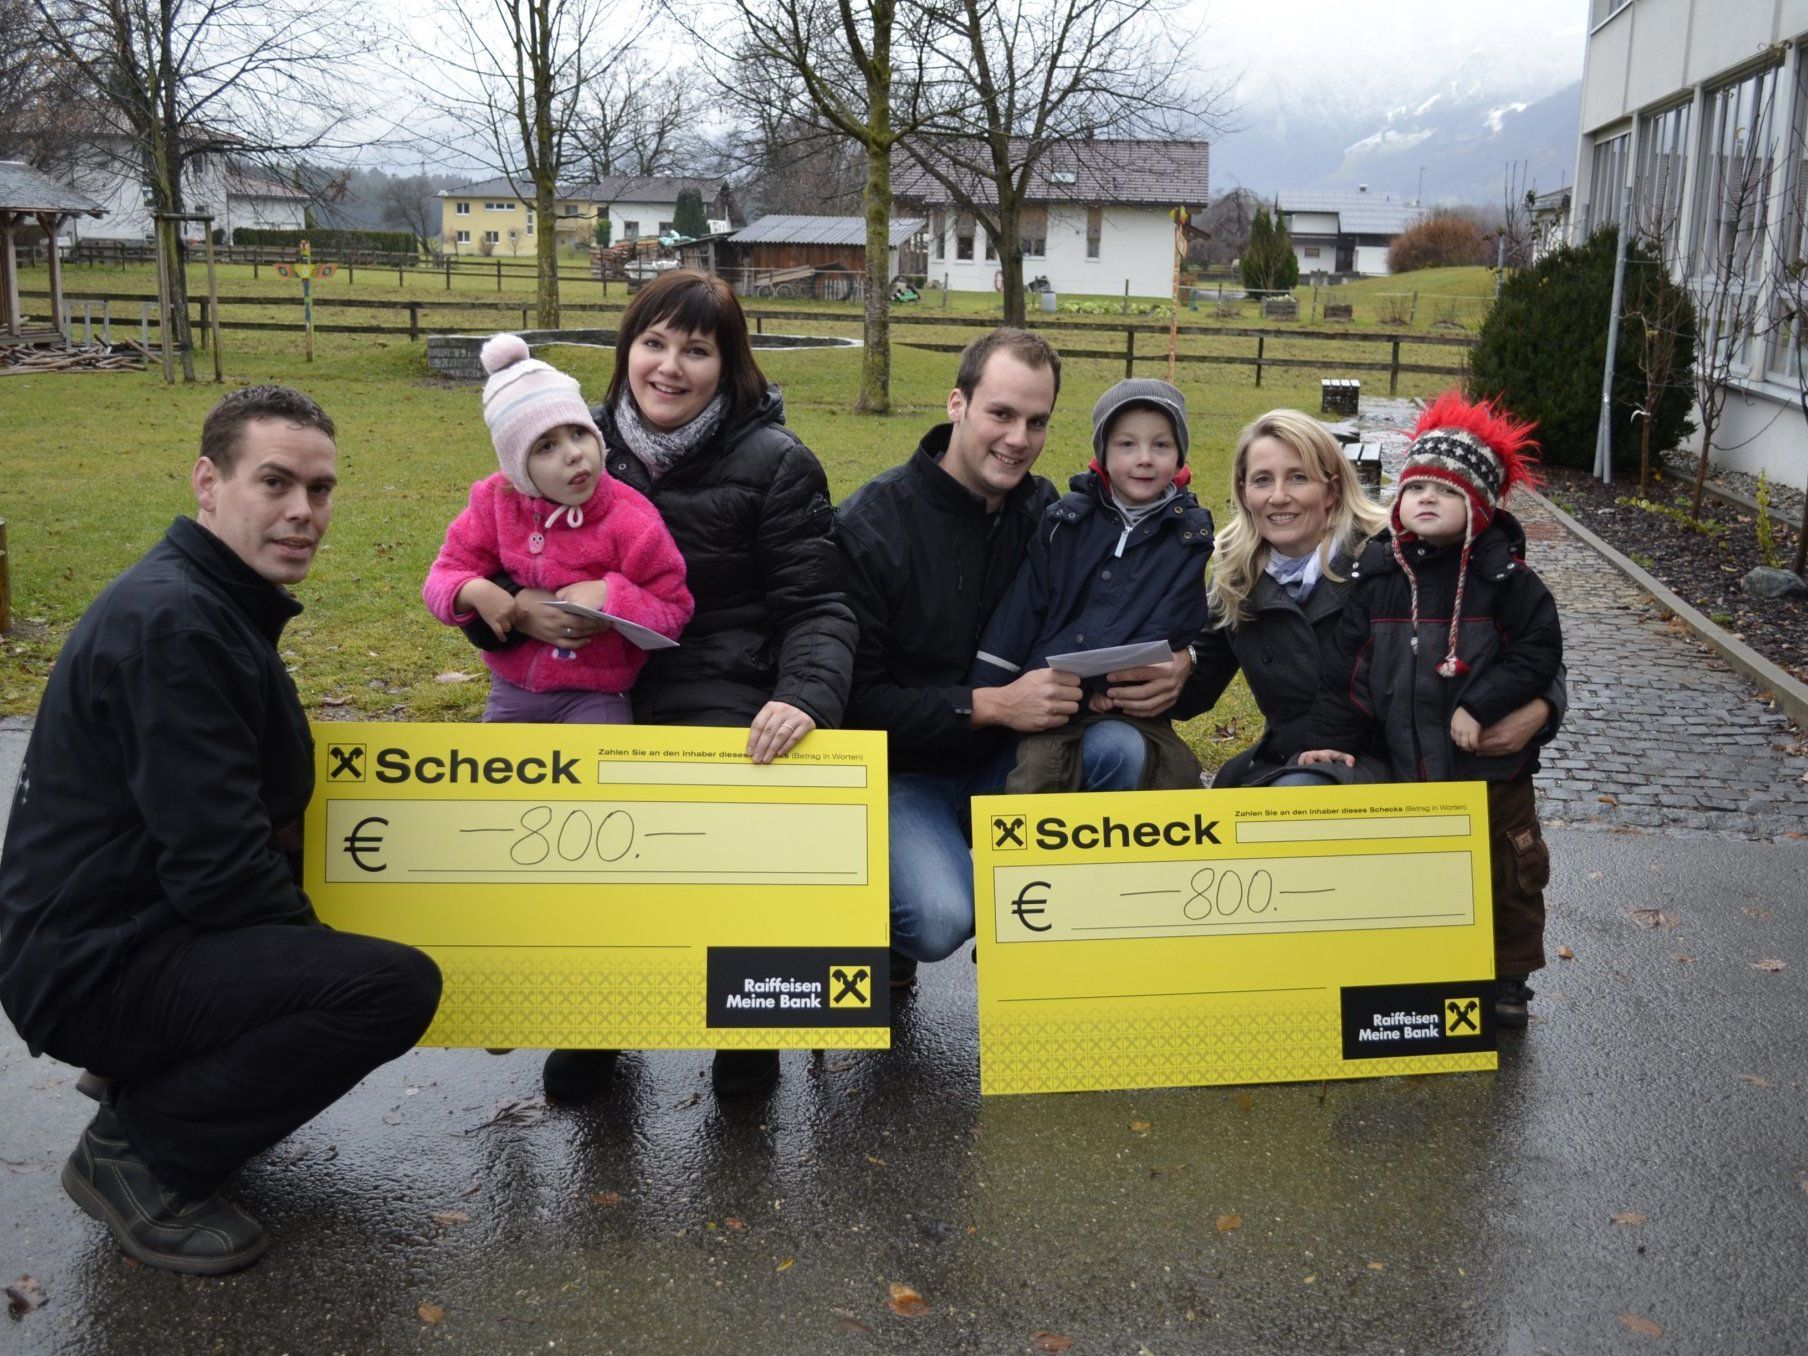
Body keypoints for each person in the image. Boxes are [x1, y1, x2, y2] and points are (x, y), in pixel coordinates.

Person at [0, 386, 443, 1275]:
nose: (303, 511)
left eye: (320, 489)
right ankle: (139, 1155)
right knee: (384, 989)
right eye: (275, 482)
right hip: (92, 965)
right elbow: (221, 870)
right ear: (209, 482)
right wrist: (314, 973)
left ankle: (152, 1081)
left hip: (115, 926)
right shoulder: (177, 627)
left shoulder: (209, 601)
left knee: (327, 954)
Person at [465, 273, 856, 1100]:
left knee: (719, 830)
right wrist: (513, 612)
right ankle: (595, 1016)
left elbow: (818, 603)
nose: (670, 367)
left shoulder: (778, 463)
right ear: (626, 350)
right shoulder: (564, 437)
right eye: (654, 343)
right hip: (586, 674)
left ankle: (744, 1022)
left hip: (719, 674)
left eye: (697, 350)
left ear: (729, 365)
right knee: (574, 835)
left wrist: (804, 697)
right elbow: (489, 559)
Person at [838, 330, 1195, 976]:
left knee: (1120, 750)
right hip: (903, 775)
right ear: (957, 404)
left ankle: (1047, 942)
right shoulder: (872, 525)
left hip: (1009, 763)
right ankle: (883, 921)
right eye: (1000, 414)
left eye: (1037, 421)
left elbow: (1135, 602)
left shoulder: (1050, 514)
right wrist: (990, 705)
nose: (1018, 439)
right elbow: (855, 703)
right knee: (940, 918)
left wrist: (1186, 663)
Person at [1297, 393, 1564, 1029]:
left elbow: (1537, 652)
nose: (1425, 499)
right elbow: (1347, 672)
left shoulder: (1507, 580)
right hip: (1406, 761)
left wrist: (1482, 704)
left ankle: (1509, 977)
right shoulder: (1380, 577)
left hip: (1490, 772)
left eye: (1445, 492)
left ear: (1479, 505)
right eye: (1415, 487)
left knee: (1507, 873)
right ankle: (1426, 962)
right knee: (1418, 868)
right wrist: (1334, 739)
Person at [1168, 407, 1562, 793]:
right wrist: (1162, 664)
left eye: (1299, 477)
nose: (1279, 496)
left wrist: (1543, 706)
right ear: (1243, 491)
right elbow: (1192, 688)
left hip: (1395, 766)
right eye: (1262, 480)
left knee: (1299, 794)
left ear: (1331, 489)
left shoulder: (1394, 554)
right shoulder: (1237, 576)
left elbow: (1520, 637)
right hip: (1295, 758)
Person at [423, 333, 693, 723]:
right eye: (545, 446)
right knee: (499, 765)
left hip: (597, 695)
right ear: (518, 467)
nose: (573, 454)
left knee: (595, 765)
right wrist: (472, 591)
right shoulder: (495, 502)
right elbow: (442, 576)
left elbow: (674, 610)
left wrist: (611, 593)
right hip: (512, 689)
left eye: (579, 432)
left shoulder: (632, 519)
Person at [971, 377, 1213, 793]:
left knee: (1173, 775)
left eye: (1161, 445)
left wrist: (1108, 688)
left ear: (1179, 457)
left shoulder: (1188, 537)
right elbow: (1022, 610)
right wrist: (986, 689)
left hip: (1127, 700)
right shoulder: (1064, 523)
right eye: (1127, 444)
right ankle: (1007, 834)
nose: (1144, 459)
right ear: (1102, 453)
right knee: (1038, 772)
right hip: (1054, 695)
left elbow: (1176, 621)